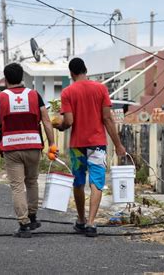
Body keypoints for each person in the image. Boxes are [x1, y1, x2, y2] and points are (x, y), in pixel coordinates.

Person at [54, 57, 126, 237]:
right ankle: (92, 223)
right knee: (97, 182)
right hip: (98, 145)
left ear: (71, 73)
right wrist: (118, 145)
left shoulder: (67, 92)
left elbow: (68, 121)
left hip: (77, 146)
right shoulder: (101, 88)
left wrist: (59, 125)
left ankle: (81, 220)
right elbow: (108, 119)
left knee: (78, 182)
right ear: (86, 70)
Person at [0, 63, 55, 238]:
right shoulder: (34, 95)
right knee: (32, 181)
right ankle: (32, 217)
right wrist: (52, 144)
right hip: (33, 145)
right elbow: (47, 121)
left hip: (11, 148)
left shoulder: (0, 98)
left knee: (17, 186)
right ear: (22, 77)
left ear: (6, 79)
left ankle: (23, 224)